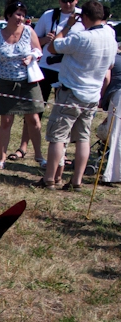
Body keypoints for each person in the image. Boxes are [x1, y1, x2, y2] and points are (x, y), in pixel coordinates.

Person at [39, 0, 116, 190]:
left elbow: (53, 47)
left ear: (85, 17)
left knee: (58, 136)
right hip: (92, 94)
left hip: (72, 92)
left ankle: (49, 178)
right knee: (83, 138)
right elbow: (111, 65)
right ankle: (77, 181)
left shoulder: (81, 37)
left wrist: (67, 26)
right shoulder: (110, 36)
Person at [11, 0, 84, 164]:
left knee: (64, 114)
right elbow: (33, 41)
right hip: (44, 67)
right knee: (33, 109)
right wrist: (44, 40)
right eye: (63, 0)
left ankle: (63, 152)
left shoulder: (82, 17)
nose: (67, 3)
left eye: (70, 0)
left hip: (68, 70)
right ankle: (23, 147)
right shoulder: (49, 15)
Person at [0, 1, 45, 170]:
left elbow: (38, 50)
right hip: (6, 83)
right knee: (6, 121)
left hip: (28, 82)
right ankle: (2, 158)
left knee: (33, 119)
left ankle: (39, 156)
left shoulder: (29, 31)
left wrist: (32, 56)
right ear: (9, 15)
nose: (21, 18)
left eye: (23, 15)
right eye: (18, 14)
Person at [98, 51, 121, 185]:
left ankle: (115, 175)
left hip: (119, 95)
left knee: (117, 135)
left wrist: (101, 97)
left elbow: (106, 79)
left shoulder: (114, 58)